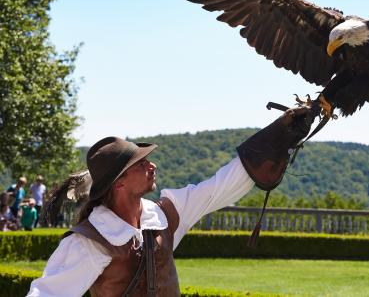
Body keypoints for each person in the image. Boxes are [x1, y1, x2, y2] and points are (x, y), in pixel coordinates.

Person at [27, 107, 315, 297]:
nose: (152, 166)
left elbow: (219, 187)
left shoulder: (165, 215)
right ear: (119, 183)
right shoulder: (89, 241)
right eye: (141, 164)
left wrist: (277, 137)